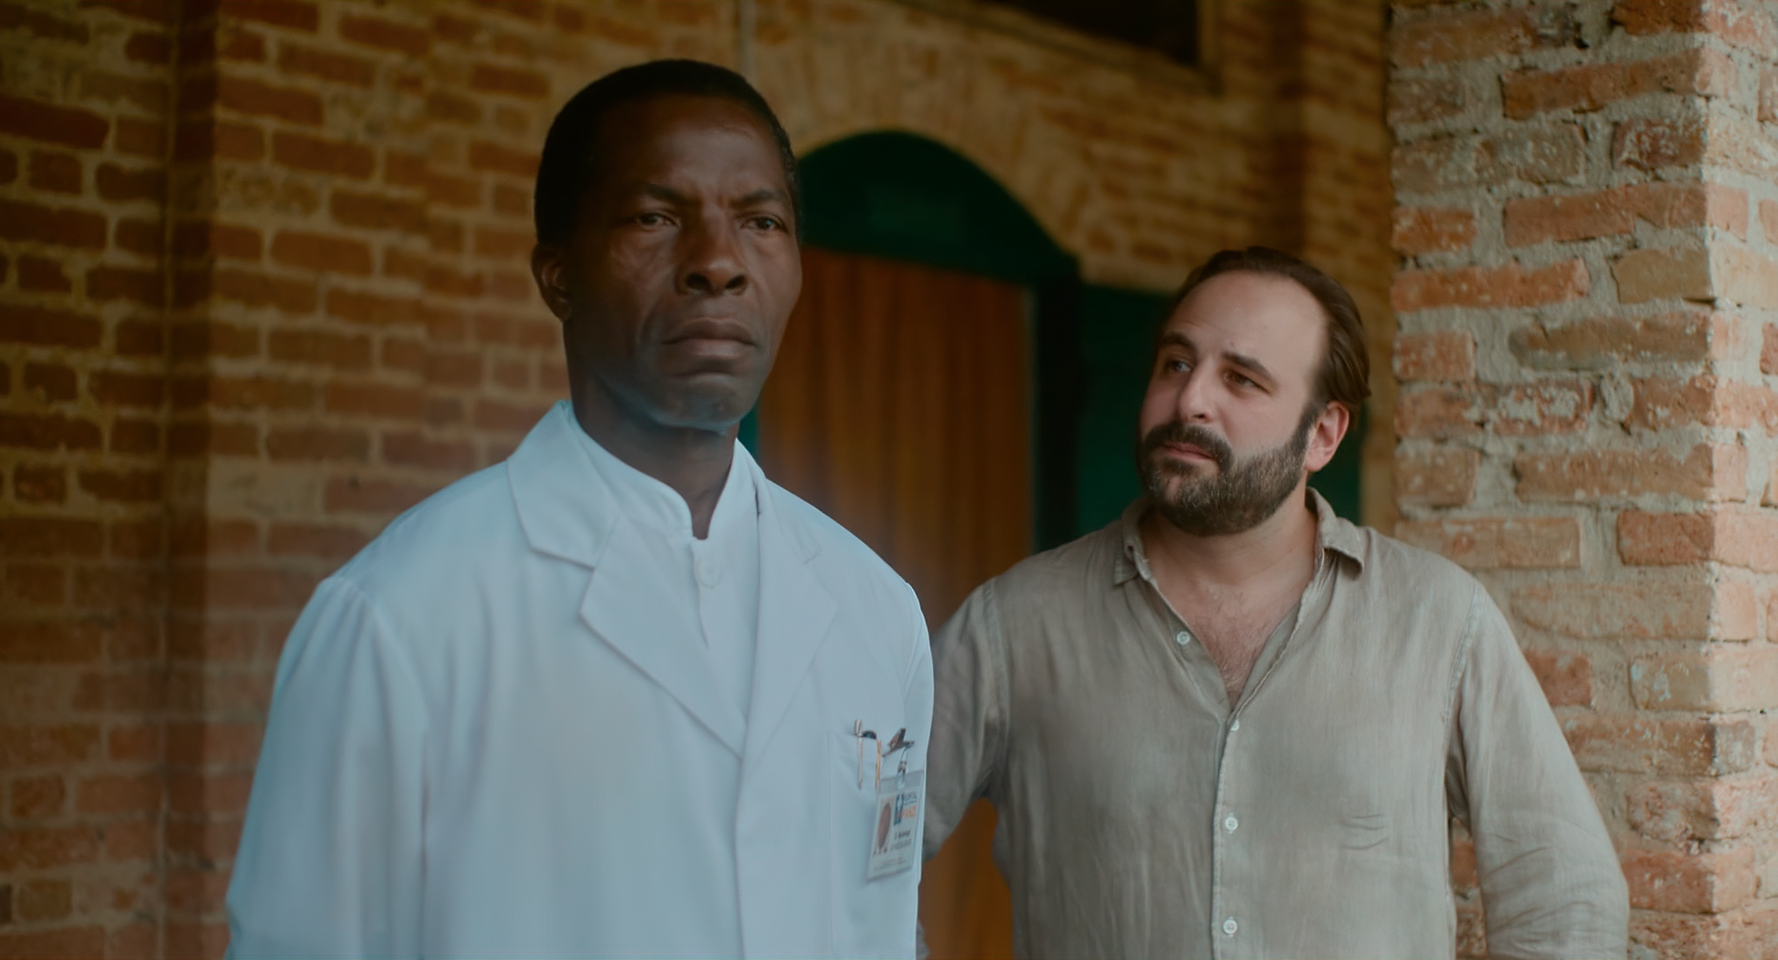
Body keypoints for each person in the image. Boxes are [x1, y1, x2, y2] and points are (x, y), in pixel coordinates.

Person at [225, 60, 933, 958]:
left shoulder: (878, 610)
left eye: (760, 222)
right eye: (654, 218)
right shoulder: (398, 618)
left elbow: (882, 926)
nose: (719, 264)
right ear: (556, 276)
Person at [922, 247, 1628, 958]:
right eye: (1176, 363)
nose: (1191, 400)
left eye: (1242, 378)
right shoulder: (1014, 625)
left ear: (1322, 434)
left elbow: (1566, 893)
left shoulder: (1439, 621)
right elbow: (863, 852)